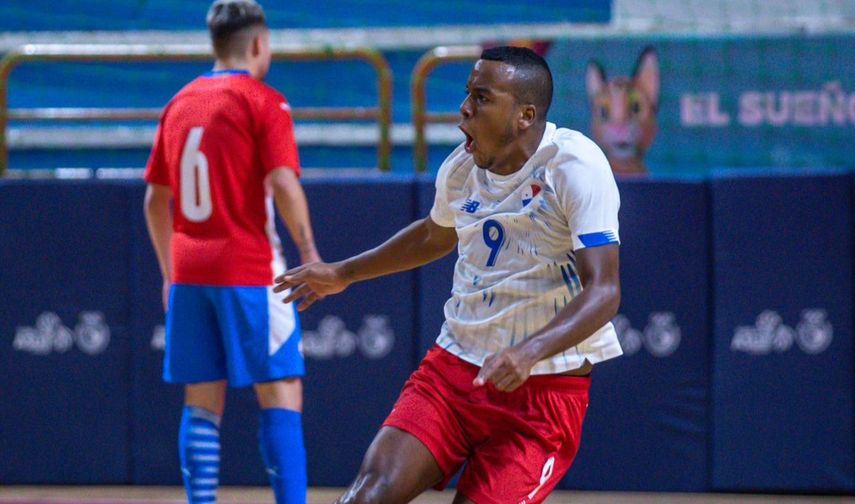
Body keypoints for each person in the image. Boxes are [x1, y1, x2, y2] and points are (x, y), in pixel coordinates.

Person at [274, 46, 623, 504]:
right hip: (454, 371)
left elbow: (605, 290)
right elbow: (432, 237)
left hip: (541, 394)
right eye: (467, 95)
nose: (464, 109)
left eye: (481, 97)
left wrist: (526, 353)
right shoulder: (462, 167)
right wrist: (343, 273)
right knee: (365, 497)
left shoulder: (575, 165)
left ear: (525, 115)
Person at [143, 1, 318, 502]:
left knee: (201, 401)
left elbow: (155, 200)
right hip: (248, 268)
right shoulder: (264, 102)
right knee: (282, 391)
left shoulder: (178, 103)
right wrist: (308, 251)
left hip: (190, 273)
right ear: (259, 45)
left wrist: (168, 271)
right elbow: (284, 183)